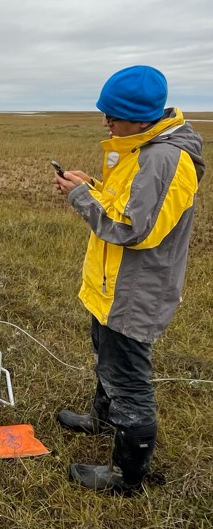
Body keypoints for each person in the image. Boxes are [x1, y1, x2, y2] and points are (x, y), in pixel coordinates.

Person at [53, 65, 205, 493]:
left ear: (141, 117)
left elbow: (132, 229)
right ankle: (103, 420)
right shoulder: (140, 147)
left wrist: (80, 197)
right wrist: (93, 186)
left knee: (128, 382)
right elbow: (127, 206)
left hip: (135, 294)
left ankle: (126, 476)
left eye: (112, 116)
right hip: (112, 287)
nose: (106, 122)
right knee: (106, 360)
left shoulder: (164, 159)